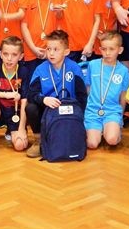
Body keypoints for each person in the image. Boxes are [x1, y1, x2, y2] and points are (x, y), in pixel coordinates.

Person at [25, 30, 88, 158]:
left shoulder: (74, 68)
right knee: (31, 108)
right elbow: (31, 94)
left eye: (56, 49)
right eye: (48, 49)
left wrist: (79, 118)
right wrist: (43, 99)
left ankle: (72, 134)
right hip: (48, 108)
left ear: (66, 52)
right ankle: (39, 140)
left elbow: (82, 96)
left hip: (68, 109)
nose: (51, 53)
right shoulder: (40, 69)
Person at [84, 31, 129, 150]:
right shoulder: (93, 65)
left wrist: (120, 116)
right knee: (92, 144)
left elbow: (123, 95)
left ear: (120, 50)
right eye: (104, 49)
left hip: (112, 111)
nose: (107, 53)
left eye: (111, 49)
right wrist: (90, 106)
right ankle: (98, 130)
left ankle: (112, 129)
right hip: (93, 111)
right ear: (100, 49)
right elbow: (88, 88)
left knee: (112, 140)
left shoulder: (123, 71)